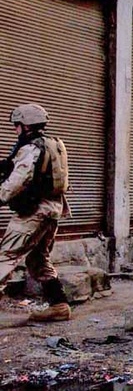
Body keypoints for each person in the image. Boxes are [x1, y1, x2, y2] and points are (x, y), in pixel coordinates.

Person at [0, 104, 73, 322]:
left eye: (17, 126)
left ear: (25, 126)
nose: (15, 130)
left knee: (6, 256)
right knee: (38, 260)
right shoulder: (54, 144)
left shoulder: (31, 148)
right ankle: (59, 306)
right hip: (52, 210)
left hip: (34, 212)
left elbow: (18, 181)